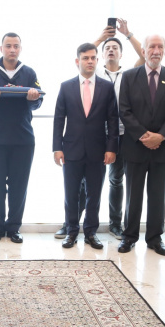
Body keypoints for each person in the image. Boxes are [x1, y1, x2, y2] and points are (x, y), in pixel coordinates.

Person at [56, 20, 143, 239]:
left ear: (121, 54)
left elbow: (143, 56)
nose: (111, 50)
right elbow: (84, 59)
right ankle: (72, 226)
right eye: (106, 49)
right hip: (85, 142)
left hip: (119, 137)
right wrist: (100, 40)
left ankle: (110, 226)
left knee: (112, 183)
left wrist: (128, 34)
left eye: (115, 48)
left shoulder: (128, 75)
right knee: (77, 189)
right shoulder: (93, 75)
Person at [116, 35, 165, 256]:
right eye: (151, 47)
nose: (156, 50)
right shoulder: (129, 76)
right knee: (133, 196)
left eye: (160, 47)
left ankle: (155, 238)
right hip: (135, 146)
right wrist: (145, 135)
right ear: (143, 51)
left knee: (158, 195)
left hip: (162, 148)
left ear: (164, 51)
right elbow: (124, 110)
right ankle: (129, 237)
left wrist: (161, 136)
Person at [0, 33, 43, 244]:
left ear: (20, 49)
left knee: (19, 186)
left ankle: (14, 228)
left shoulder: (29, 73)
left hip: (22, 139)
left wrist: (33, 99)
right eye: (8, 46)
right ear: (1, 48)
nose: (12, 49)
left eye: (16, 46)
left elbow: (38, 101)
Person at [52, 43, 119, 249]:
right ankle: (71, 231)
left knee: (94, 194)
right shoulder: (66, 86)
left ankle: (91, 232)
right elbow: (58, 119)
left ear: (97, 61)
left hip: (98, 151)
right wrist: (57, 147)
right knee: (71, 194)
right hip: (71, 150)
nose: (90, 61)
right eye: (85, 58)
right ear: (77, 61)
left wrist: (111, 148)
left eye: (93, 58)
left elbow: (113, 120)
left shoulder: (107, 88)